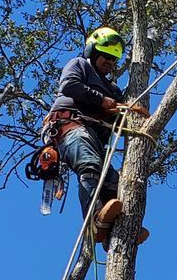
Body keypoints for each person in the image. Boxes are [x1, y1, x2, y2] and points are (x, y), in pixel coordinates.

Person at [46, 27, 149, 244]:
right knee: (89, 165)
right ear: (93, 51)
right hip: (69, 125)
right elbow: (70, 85)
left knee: (114, 182)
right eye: (106, 56)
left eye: (114, 59)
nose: (110, 62)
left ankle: (117, 230)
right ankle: (93, 221)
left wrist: (129, 112)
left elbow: (119, 122)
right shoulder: (79, 65)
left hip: (93, 137)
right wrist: (102, 101)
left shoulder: (112, 90)